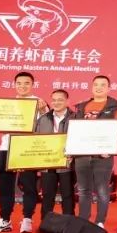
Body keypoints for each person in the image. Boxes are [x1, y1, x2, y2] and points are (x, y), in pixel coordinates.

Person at [0, 71, 47, 233]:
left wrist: (43, 110)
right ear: (14, 85)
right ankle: (5, 220)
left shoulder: (39, 103)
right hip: (6, 147)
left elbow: (47, 125)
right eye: (19, 83)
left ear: (32, 85)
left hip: (27, 148)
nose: (22, 86)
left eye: (26, 83)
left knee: (29, 186)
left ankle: (27, 219)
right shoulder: (7, 104)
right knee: (5, 186)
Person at [72, 75, 117, 228]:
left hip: (103, 156)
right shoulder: (81, 107)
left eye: (103, 85)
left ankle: (100, 221)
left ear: (109, 88)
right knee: (83, 190)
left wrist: (110, 148)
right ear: (92, 87)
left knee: (102, 190)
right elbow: (75, 130)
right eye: (96, 85)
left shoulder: (115, 108)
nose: (99, 88)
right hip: (82, 155)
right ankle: (83, 220)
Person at [36, 89, 75, 218]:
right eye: (54, 100)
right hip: (48, 164)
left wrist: (73, 155)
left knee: (68, 195)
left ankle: (69, 223)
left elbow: (79, 139)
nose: (56, 102)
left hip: (67, 163)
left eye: (60, 100)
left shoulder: (75, 118)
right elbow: (36, 140)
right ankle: (46, 223)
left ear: (67, 101)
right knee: (47, 195)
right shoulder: (43, 119)